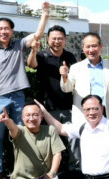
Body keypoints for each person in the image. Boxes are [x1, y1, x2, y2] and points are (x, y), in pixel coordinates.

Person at [0, 1, 51, 179]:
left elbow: (38, 35)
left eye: (7, 28)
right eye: (0, 28)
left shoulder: (19, 45)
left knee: (21, 135)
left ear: (12, 31)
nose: (4, 31)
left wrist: (44, 15)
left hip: (18, 97)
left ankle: (21, 171)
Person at [59, 32, 109, 168]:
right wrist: (65, 76)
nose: (91, 50)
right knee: (84, 152)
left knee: (108, 151)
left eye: (94, 46)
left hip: (107, 115)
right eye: (88, 47)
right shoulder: (76, 68)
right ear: (83, 48)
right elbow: (67, 88)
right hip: (85, 116)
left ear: (101, 47)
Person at [0, 104, 64, 179]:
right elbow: (12, 128)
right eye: (28, 115)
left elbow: (57, 154)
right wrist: (7, 122)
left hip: (42, 178)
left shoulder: (50, 131)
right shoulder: (20, 131)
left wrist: (51, 173)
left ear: (41, 116)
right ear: (23, 118)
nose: (31, 118)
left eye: (35, 114)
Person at [27, 24, 78, 169]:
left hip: (68, 108)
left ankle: (75, 174)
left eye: (60, 38)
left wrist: (66, 74)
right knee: (49, 144)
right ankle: (49, 174)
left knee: (73, 143)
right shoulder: (42, 55)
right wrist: (34, 50)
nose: (57, 41)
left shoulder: (69, 57)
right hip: (48, 109)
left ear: (65, 40)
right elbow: (31, 64)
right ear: (48, 39)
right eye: (54, 38)